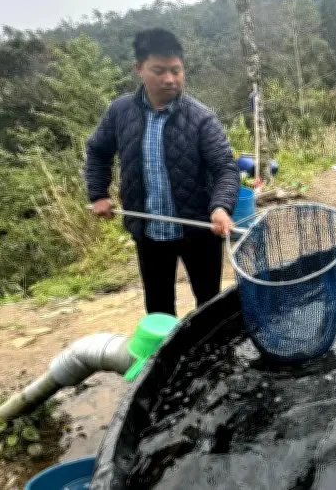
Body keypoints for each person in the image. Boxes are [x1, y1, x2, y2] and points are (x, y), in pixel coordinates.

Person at [86, 28, 240, 317]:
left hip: (199, 230)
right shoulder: (120, 112)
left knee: (209, 305)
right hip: (148, 231)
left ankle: (208, 360)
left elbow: (224, 169)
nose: (169, 79)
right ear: (139, 69)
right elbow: (97, 150)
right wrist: (98, 194)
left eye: (176, 70)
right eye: (159, 70)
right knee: (158, 309)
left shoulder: (201, 117)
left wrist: (221, 207)